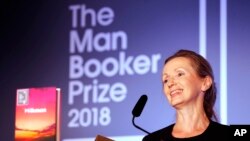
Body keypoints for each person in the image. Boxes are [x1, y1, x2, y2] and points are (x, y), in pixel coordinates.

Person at [142, 49, 229, 141]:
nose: (170, 83)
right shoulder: (152, 139)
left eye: (179, 74)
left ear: (205, 83)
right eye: (165, 80)